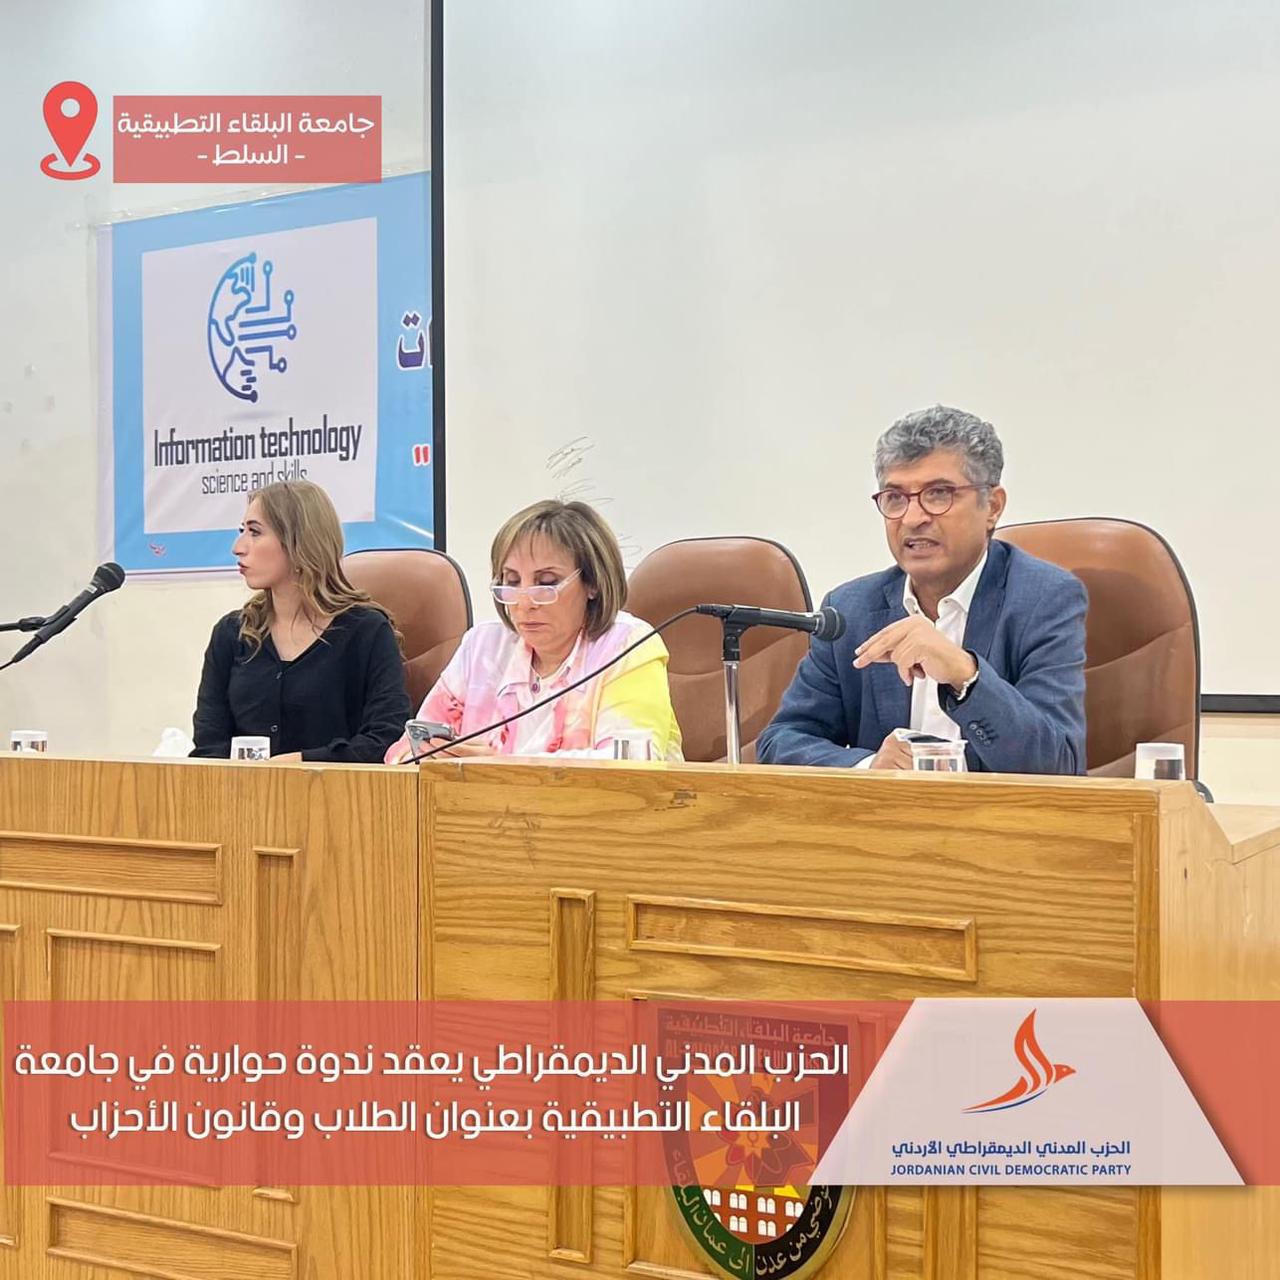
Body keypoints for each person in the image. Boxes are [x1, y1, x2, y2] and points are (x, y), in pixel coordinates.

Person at [757, 405, 1087, 774]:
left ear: (992, 507)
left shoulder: (1044, 599)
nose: (913, 519)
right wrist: (870, 766)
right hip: (887, 811)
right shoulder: (851, 609)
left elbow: (1058, 764)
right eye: (895, 498)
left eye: (939, 493)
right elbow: (781, 741)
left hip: (997, 812)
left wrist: (965, 675)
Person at [384, 499, 682, 763]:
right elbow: (407, 749)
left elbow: (631, 761)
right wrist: (424, 756)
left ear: (592, 583)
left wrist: (499, 767)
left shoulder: (627, 644)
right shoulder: (483, 647)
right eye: (512, 582)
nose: (524, 602)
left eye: (546, 583)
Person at [191, 480, 411, 762]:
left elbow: (386, 740)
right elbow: (209, 747)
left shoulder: (367, 632)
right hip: (241, 790)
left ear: (300, 542)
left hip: (340, 789)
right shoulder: (231, 634)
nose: (238, 547)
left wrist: (299, 763)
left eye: (255, 532)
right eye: (241, 531)